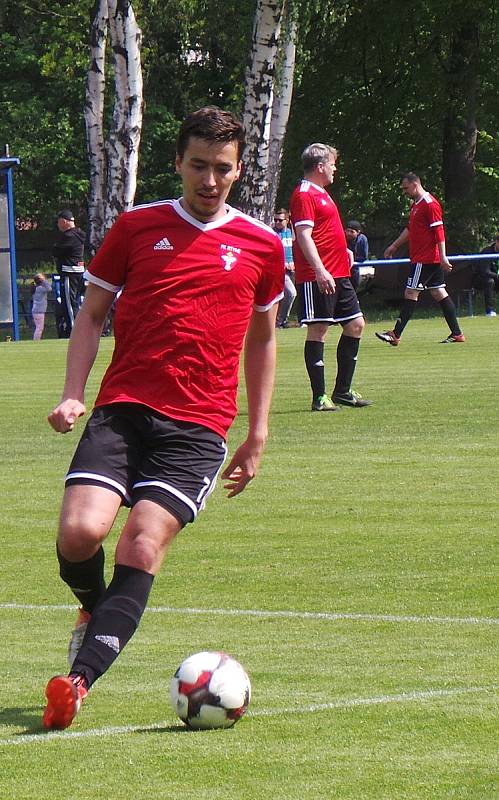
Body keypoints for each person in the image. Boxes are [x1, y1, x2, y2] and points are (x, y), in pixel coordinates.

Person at [42, 106, 284, 730]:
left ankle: (77, 682)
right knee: (79, 535)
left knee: (142, 542)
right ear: (178, 163)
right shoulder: (136, 227)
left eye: (222, 170)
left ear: (238, 172)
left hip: (199, 427)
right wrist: (74, 392)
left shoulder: (261, 245)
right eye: (198, 166)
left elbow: (263, 340)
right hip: (121, 411)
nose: (209, 180)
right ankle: (98, 611)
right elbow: (92, 314)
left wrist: (257, 432)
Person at [289, 143, 372, 412]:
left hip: (339, 273)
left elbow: (325, 231)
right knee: (319, 330)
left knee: (356, 324)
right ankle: (319, 397)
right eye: (333, 164)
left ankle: (343, 391)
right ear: (321, 166)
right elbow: (303, 235)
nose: (336, 169)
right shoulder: (304, 194)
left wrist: (343, 249)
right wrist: (319, 269)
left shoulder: (321, 193)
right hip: (319, 276)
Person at [375, 173, 465, 346]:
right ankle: (457, 333)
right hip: (425, 258)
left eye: (406, 188)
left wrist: (443, 257)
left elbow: (439, 232)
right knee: (438, 292)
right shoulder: (416, 205)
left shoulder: (430, 204)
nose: (404, 191)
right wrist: (394, 246)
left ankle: (396, 334)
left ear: (415, 185)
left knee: (410, 292)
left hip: (425, 259)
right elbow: (410, 229)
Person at [52, 209, 86, 336]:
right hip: (78, 272)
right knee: (75, 303)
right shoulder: (79, 234)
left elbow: (56, 251)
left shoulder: (68, 236)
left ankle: (74, 332)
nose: (58, 225)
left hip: (69, 273)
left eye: (59, 222)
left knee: (69, 305)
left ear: (64, 221)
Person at [273, 208, 297, 327]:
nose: (277, 222)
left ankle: (280, 321)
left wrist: (293, 263)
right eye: (275, 220)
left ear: (287, 220)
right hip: (278, 270)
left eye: (280, 220)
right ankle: (280, 321)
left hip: (290, 270)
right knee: (291, 293)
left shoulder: (290, 232)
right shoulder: (272, 233)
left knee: (287, 295)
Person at [473, 234, 499, 317]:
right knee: (489, 282)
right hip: (481, 279)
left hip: (496, 278)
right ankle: (489, 311)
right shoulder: (487, 252)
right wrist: (497, 276)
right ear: (497, 242)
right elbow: (485, 271)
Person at [344, 220, 368, 292]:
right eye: (347, 231)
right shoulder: (342, 237)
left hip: (355, 266)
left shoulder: (362, 240)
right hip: (344, 265)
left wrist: (351, 260)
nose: (348, 233)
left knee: (356, 277)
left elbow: (363, 257)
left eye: (352, 232)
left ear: (358, 232)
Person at [31, 273, 52, 340]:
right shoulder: (40, 289)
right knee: (39, 328)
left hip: (37, 310)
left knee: (39, 327)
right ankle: (36, 340)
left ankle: (36, 339)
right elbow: (49, 288)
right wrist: (44, 280)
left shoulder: (35, 288)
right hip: (39, 311)